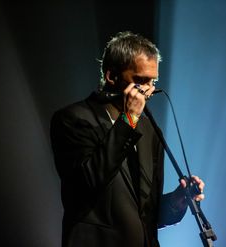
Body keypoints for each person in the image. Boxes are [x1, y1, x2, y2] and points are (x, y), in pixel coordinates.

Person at [50, 31, 205, 247]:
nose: (149, 91)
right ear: (112, 76)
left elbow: (145, 214)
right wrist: (129, 120)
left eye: (153, 82)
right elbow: (86, 184)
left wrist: (177, 201)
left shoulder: (148, 129)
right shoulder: (73, 119)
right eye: (141, 81)